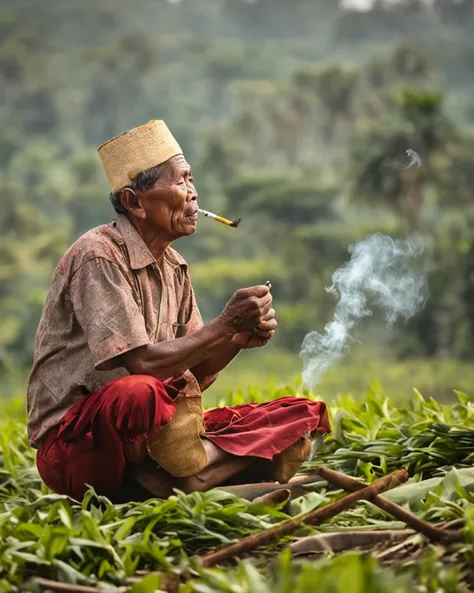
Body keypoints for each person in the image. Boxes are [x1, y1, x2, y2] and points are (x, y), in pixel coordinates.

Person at [27, 120, 330, 502]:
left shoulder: (175, 267)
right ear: (135, 202)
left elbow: (196, 369)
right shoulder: (98, 256)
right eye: (181, 181)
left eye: (191, 180)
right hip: (77, 448)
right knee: (141, 395)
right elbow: (143, 365)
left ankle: (186, 479)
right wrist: (223, 324)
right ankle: (198, 476)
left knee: (299, 414)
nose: (193, 193)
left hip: (153, 439)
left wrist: (236, 337)